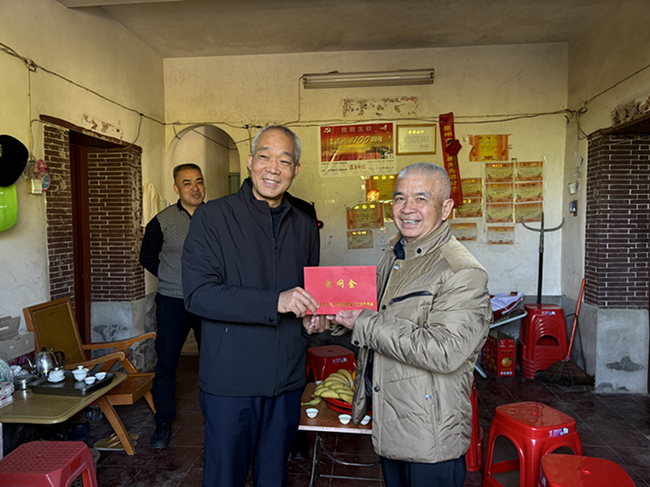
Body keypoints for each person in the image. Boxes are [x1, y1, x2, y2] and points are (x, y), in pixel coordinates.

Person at [329, 162, 493, 487]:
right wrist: (333, 317)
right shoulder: (395, 255)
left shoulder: (462, 271)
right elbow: (375, 314)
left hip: (430, 435)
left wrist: (364, 322)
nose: (407, 209)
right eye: (399, 198)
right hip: (392, 420)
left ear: (445, 208)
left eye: (421, 198)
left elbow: (444, 351)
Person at [182, 125, 322, 487]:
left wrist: (313, 318)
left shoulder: (305, 226)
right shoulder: (212, 218)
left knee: (273, 476)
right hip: (231, 381)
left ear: (296, 170)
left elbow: (307, 295)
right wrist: (275, 301)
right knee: (225, 477)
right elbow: (199, 294)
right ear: (250, 161)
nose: (273, 168)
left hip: (286, 380)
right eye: (265, 157)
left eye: (284, 161)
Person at [139, 163, 205, 449]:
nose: (195, 188)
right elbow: (146, 256)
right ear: (177, 189)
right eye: (187, 183)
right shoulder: (162, 221)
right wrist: (168, 276)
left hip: (208, 301)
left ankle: (216, 417)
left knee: (214, 362)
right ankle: (163, 422)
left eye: (199, 181)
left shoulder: (217, 217)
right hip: (171, 301)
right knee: (166, 364)